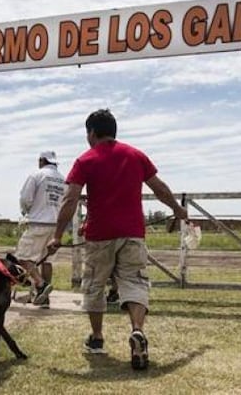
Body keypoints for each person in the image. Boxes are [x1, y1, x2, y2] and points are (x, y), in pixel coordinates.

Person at [46, 108, 188, 370]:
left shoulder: (85, 160)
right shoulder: (135, 155)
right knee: (135, 282)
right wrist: (178, 210)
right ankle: (137, 330)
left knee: (95, 285)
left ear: (91, 133)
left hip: (100, 234)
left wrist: (56, 235)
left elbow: (70, 199)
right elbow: (159, 188)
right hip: (133, 232)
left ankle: (98, 338)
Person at [15, 150, 65, 308]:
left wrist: (26, 210)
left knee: (23, 257)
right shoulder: (62, 179)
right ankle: (44, 299)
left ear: (42, 160)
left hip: (38, 222)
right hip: (56, 224)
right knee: (47, 261)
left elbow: (25, 198)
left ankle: (40, 285)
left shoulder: (37, 175)